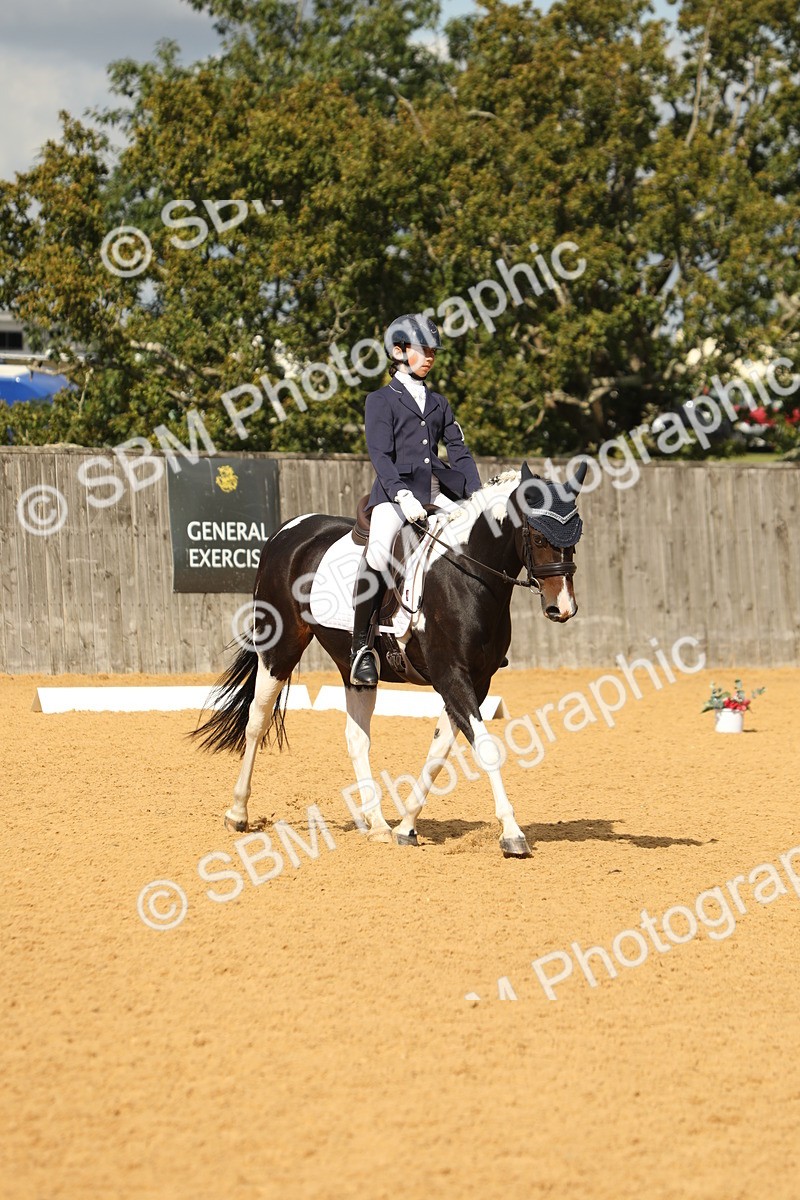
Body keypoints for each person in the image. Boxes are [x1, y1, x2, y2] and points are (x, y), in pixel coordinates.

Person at [349, 313, 482, 686]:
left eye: (433, 352)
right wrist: (401, 494)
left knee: (475, 542)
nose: (430, 357)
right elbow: (380, 456)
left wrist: (476, 495)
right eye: (423, 350)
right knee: (379, 551)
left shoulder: (439, 403)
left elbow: (459, 450)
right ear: (398, 351)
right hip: (396, 496)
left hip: (437, 493)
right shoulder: (380, 400)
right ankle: (361, 648)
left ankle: (476, 633)